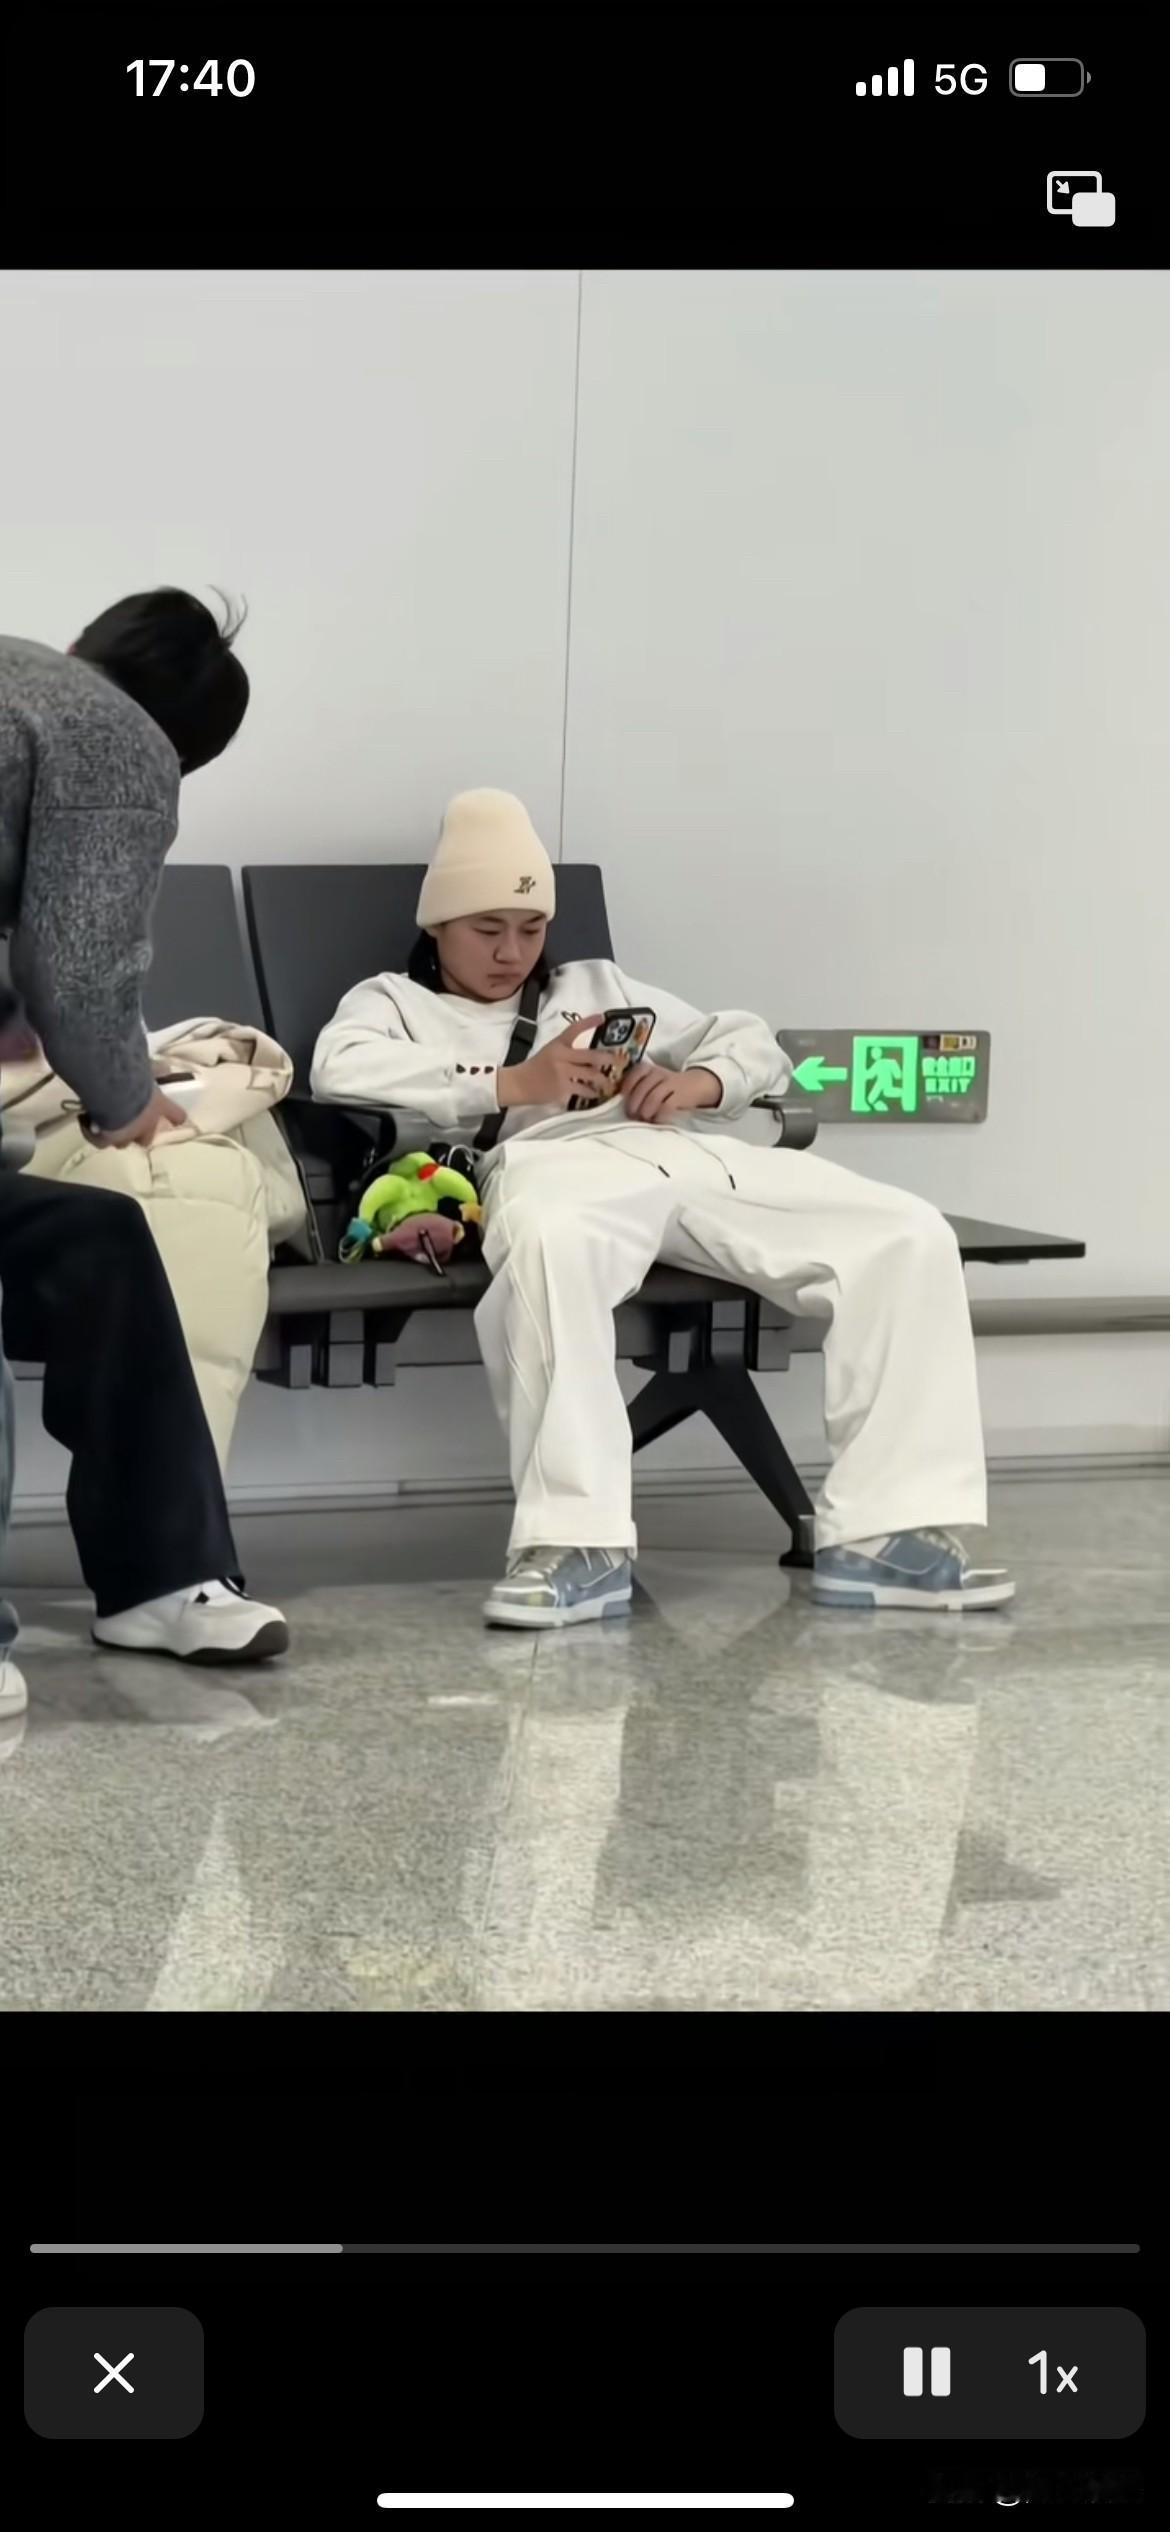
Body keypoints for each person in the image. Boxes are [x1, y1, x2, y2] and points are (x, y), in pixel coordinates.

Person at [312, 789, 1015, 1630]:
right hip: (548, 1165)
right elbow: (338, 1068)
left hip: (682, 1151)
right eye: (486, 928)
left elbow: (749, 1041)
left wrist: (696, 1084)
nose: (510, 952)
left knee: (905, 1232)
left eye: (530, 929)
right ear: (438, 926)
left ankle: (888, 1535)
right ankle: (578, 1545)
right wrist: (512, 1083)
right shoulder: (393, 1002)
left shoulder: (594, 984)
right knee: (551, 1244)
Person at [0, 591, 290, 1717]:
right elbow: (79, 965)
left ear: (85, 644)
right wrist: (128, 1100)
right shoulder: (117, 740)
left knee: (100, 1239)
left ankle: (160, 1575)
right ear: (183, 753)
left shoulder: (22, 678)